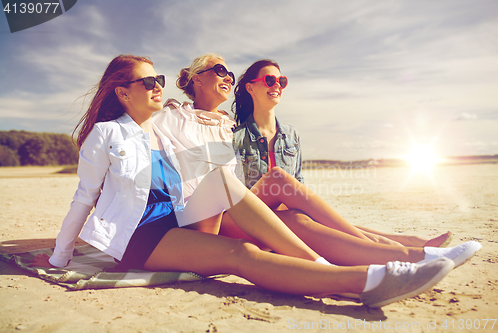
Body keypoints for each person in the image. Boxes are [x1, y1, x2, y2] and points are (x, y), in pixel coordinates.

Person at [28, 54, 460, 308]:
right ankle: (359, 280)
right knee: (242, 251)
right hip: (140, 237)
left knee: (243, 192)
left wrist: (216, 146)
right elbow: (84, 198)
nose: (158, 86)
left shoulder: (158, 127)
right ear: (123, 92)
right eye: (148, 81)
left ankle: (355, 264)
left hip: (181, 218)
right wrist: (61, 255)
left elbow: (197, 169)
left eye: (159, 79)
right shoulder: (112, 133)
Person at [156, 53, 479, 267]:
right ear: (196, 78)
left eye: (229, 72)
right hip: (202, 214)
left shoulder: (229, 125)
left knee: (299, 220)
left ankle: (411, 255)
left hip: (236, 209)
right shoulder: (173, 116)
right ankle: (405, 248)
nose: (226, 76)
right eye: (218, 70)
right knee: (279, 180)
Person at [231, 59, 453, 248]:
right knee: (306, 212)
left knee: (323, 222)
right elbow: (236, 193)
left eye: (282, 81)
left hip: (288, 214)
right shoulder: (236, 137)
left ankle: (409, 241)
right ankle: (381, 245)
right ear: (251, 87)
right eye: (270, 80)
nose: (277, 85)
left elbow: (298, 182)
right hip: (256, 219)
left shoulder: (291, 135)